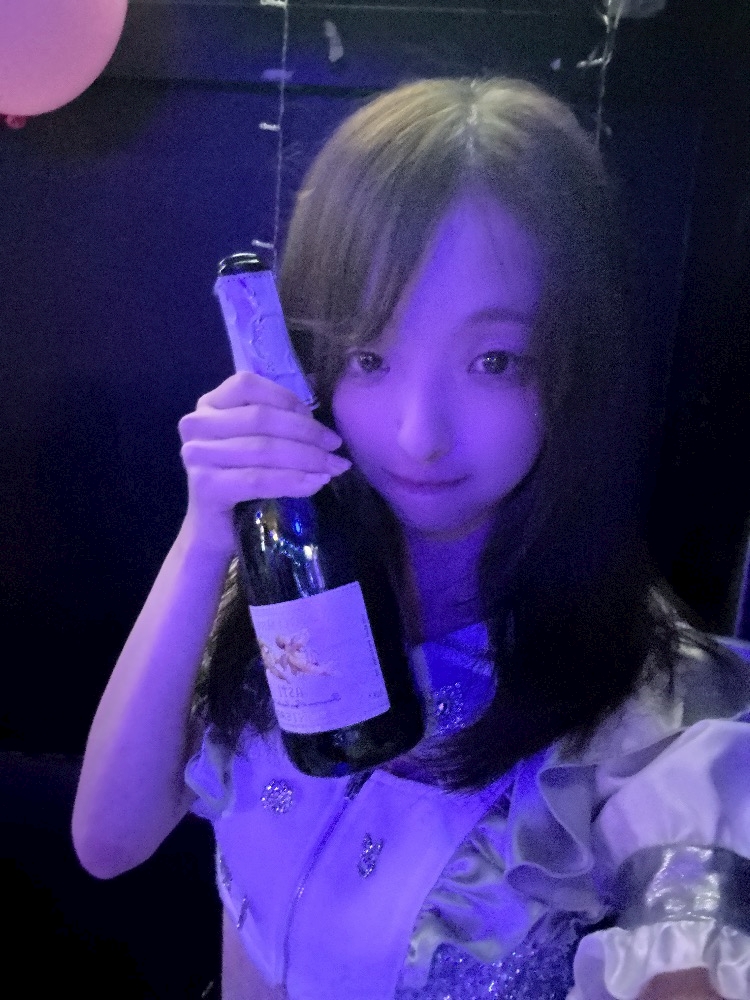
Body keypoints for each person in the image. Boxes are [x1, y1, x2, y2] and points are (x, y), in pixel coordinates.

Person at [72, 78, 750, 1000]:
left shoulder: (655, 709)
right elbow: (109, 841)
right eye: (371, 356)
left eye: (494, 361)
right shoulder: (296, 590)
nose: (418, 433)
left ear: (575, 362)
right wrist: (205, 538)